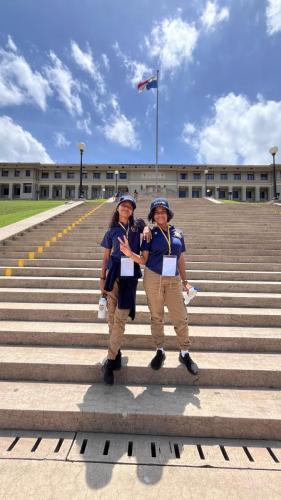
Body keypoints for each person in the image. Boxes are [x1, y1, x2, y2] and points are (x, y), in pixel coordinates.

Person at [118, 197, 198, 376]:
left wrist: (185, 281)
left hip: (173, 279)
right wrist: (129, 253)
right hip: (153, 277)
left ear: (168, 214)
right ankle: (159, 350)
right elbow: (144, 260)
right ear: (153, 215)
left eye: (163, 211)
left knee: (180, 316)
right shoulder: (149, 234)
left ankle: (184, 352)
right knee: (156, 316)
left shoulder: (178, 233)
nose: (160, 214)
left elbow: (181, 259)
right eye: (157, 211)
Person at [100, 194, 150, 385]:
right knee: (111, 318)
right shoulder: (111, 231)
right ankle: (117, 352)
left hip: (130, 277)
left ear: (132, 211)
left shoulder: (138, 228)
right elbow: (105, 257)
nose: (126, 208)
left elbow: (144, 224)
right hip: (113, 274)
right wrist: (102, 278)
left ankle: (110, 362)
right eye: (123, 205)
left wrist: (145, 226)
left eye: (130, 206)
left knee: (120, 319)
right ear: (118, 208)